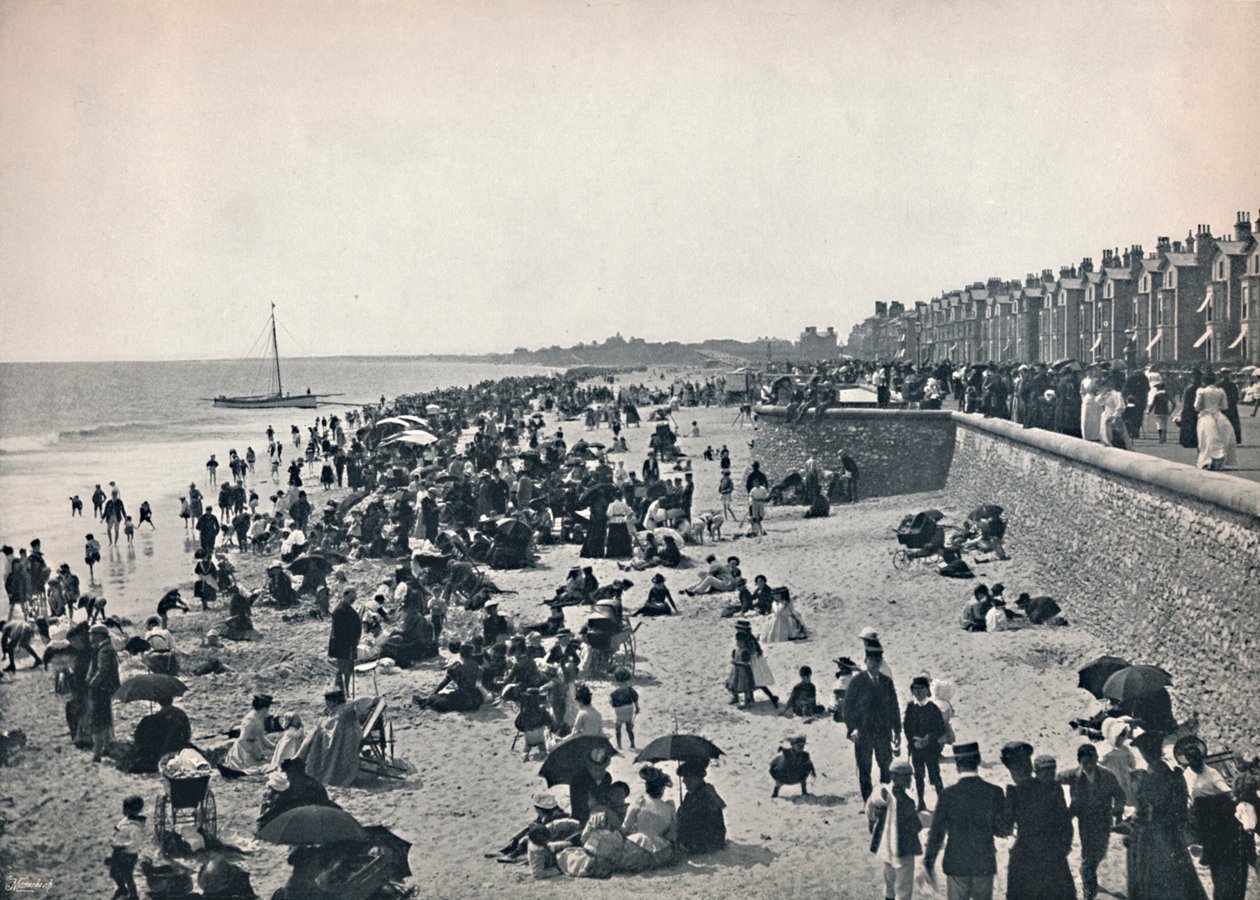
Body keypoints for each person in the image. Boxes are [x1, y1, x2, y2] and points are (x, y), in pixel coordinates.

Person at [1127, 730, 1209, 900]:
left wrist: (1134, 822)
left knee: (1153, 881)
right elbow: (1182, 813)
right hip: (1173, 837)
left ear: (1146, 755)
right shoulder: (1175, 775)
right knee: (1182, 879)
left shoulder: (1148, 779)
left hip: (1152, 838)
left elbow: (1144, 812)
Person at [923, 741, 1007, 900]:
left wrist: (929, 860)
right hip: (984, 862)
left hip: (956, 863)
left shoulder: (947, 795)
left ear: (957, 764)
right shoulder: (994, 792)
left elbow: (937, 833)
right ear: (978, 760)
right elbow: (1001, 830)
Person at [1177, 736, 1252, 900]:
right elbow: (1186, 797)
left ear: (1200, 758)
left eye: (1197, 759)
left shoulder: (1211, 772)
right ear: (1188, 761)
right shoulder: (1186, 776)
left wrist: (1229, 796)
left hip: (1218, 812)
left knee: (1223, 852)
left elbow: (1223, 788)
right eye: (1191, 760)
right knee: (1212, 854)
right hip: (1201, 816)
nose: (1195, 762)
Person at [1004, 748, 1077, 900]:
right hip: (1053, 853)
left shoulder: (1016, 792)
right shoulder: (1054, 788)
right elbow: (1065, 821)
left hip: (1026, 854)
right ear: (1032, 769)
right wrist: (1064, 846)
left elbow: (1005, 828)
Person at [843, 644, 900, 803]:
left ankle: (884, 799)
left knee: (886, 767)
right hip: (863, 733)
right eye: (872, 661)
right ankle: (868, 802)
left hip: (883, 733)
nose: (875, 664)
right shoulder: (857, 682)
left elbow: (894, 707)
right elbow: (847, 708)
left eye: (878, 661)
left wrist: (897, 731)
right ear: (865, 661)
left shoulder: (887, 682)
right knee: (865, 769)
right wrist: (852, 728)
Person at [866, 759, 922, 900]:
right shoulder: (907, 802)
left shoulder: (881, 794)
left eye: (910, 775)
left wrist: (872, 822)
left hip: (886, 847)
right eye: (906, 776)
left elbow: (869, 811)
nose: (910, 779)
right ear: (894, 776)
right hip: (904, 850)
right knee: (903, 888)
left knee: (889, 883)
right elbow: (916, 826)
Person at [296, 689, 360, 788]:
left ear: (334, 701)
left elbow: (332, 729)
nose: (326, 704)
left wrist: (321, 726)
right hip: (348, 735)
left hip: (343, 739)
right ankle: (299, 759)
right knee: (314, 734)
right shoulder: (344, 709)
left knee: (314, 735)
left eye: (327, 702)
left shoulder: (341, 714)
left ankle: (299, 760)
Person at [257, 757, 339, 830]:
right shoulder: (309, 780)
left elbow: (287, 801)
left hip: (309, 810)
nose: (286, 775)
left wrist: (266, 816)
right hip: (321, 807)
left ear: (292, 772)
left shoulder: (297, 782)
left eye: (287, 772)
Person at [904, 675, 947, 811]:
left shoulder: (933, 708)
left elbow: (940, 729)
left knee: (935, 775)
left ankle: (942, 803)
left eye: (921, 689)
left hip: (931, 749)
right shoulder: (910, 707)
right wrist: (914, 741)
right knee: (918, 776)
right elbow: (906, 727)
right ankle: (921, 802)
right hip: (916, 749)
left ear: (927, 690)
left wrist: (928, 739)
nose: (918, 692)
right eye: (915, 689)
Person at [127, 696, 191, 775]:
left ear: (159, 702)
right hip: (178, 746)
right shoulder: (181, 714)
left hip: (160, 750)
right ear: (172, 699)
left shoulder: (154, 718)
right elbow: (187, 734)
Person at [623, 765, 677, 856]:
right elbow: (672, 834)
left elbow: (625, 827)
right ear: (662, 789)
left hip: (638, 846)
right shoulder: (669, 807)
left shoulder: (640, 802)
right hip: (661, 850)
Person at [676, 760, 726, 855]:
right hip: (709, 840)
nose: (684, 781)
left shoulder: (704, 796)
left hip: (706, 843)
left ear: (695, 778)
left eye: (686, 777)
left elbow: (690, 821)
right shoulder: (696, 793)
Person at [221, 694, 278, 777]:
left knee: (268, 766)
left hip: (255, 746)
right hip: (245, 750)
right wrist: (254, 753)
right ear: (264, 708)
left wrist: (274, 746)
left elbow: (261, 737)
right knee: (256, 770)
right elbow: (242, 740)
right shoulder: (250, 720)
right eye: (268, 708)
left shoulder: (260, 717)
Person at [87, 623, 121, 762]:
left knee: (96, 721)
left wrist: (91, 683)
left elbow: (102, 671)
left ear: (98, 635)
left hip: (100, 690)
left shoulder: (104, 650)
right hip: (106, 689)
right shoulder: (106, 648)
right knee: (105, 718)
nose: (90, 637)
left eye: (92, 634)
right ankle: (106, 747)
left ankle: (97, 753)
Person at [1195, 372, 1237, 470]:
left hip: (1206, 415)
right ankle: (1218, 460)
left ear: (1204, 381)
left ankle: (1206, 461)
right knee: (1222, 437)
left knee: (1205, 439)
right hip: (1219, 416)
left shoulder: (1202, 391)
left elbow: (1197, 407)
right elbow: (1225, 406)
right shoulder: (1220, 391)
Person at [108, 795, 146, 900]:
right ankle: (122, 889)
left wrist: (124, 846)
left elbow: (136, 842)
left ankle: (133, 895)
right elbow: (118, 828)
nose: (123, 810)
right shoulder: (126, 820)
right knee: (115, 873)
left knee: (127, 876)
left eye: (125, 808)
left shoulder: (135, 827)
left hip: (128, 855)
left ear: (131, 810)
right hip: (119, 852)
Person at [328, 590, 361, 697]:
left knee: (348, 669)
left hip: (349, 644)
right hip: (343, 645)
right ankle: (340, 692)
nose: (353, 600)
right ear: (345, 596)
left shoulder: (347, 609)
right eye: (351, 598)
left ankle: (345, 691)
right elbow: (339, 632)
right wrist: (350, 643)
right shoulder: (339, 610)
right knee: (342, 669)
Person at [610, 668, 639, 750]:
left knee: (618, 728)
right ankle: (632, 744)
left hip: (619, 711)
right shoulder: (630, 690)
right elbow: (635, 699)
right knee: (629, 727)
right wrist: (637, 708)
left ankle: (619, 745)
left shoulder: (615, 693)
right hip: (629, 709)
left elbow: (613, 704)